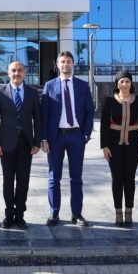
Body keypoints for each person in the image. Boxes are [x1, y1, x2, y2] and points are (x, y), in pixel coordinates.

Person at [41, 51, 95, 227]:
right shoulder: (49, 86)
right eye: (62, 61)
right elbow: (44, 114)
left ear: (73, 64)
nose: (65, 64)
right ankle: (54, 213)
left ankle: (76, 213)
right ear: (57, 65)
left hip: (76, 137)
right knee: (53, 177)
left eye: (69, 61)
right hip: (55, 138)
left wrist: (85, 134)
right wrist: (44, 138)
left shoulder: (82, 86)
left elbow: (89, 111)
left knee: (76, 178)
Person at [0, 61, 41, 230]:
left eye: (20, 70)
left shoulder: (32, 93)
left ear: (24, 73)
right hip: (6, 144)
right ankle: (8, 215)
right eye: (13, 70)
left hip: (26, 144)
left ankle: (20, 215)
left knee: (23, 181)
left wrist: (37, 141)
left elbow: (37, 119)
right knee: (8, 180)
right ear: (8, 73)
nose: (16, 73)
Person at [99, 70, 138, 228]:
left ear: (131, 83)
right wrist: (104, 146)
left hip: (133, 146)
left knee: (129, 178)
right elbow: (104, 125)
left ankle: (129, 212)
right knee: (117, 178)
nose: (125, 84)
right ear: (117, 84)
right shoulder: (109, 101)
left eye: (127, 81)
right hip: (113, 146)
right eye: (122, 81)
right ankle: (118, 213)